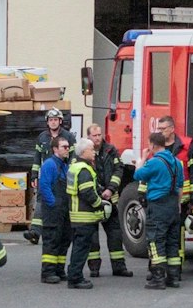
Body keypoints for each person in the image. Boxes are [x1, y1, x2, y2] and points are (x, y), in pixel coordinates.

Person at [131, 130, 185, 290]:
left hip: (158, 206)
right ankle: (173, 278)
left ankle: (158, 278)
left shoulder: (154, 162)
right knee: (172, 243)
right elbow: (180, 186)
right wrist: (178, 204)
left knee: (156, 242)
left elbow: (137, 175)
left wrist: (141, 159)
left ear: (153, 145)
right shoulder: (177, 162)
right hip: (173, 205)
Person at [155, 114, 193, 287]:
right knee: (161, 234)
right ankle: (162, 268)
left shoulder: (186, 146)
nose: (160, 132)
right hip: (161, 199)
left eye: (163, 129)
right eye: (158, 129)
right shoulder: (157, 147)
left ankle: (176, 269)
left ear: (172, 129)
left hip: (181, 199)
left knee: (177, 235)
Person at [85, 123, 132, 278]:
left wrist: (110, 189)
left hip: (110, 199)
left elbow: (119, 170)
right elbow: (87, 177)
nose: (98, 138)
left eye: (99, 135)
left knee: (115, 234)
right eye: (95, 135)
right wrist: (100, 192)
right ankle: (94, 268)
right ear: (88, 137)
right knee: (92, 237)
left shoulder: (110, 150)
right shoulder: (84, 152)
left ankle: (119, 267)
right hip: (93, 201)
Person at [26, 110, 74, 244]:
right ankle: (34, 232)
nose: (53, 122)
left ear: (60, 121)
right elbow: (37, 158)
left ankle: (65, 230)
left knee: (62, 202)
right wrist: (34, 176)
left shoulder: (68, 137)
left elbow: (73, 158)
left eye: (55, 119)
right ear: (47, 122)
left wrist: (68, 174)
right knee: (41, 201)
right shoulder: (42, 137)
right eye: (51, 120)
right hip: (47, 175)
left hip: (62, 176)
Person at [65, 138, 106, 289]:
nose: (94, 152)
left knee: (78, 248)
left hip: (76, 216)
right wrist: (99, 204)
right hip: (84, 216)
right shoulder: (83, 169)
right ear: (83, 152)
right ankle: (75, 278)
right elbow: (87, 192)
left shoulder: (74, 167)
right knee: (81, 249)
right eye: (91, 150)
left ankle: (73, 274)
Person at [37, 136, 72, 283]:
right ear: (55, 149)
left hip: (63, 210)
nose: (67, 149)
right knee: (52, 240)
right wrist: (53, 204)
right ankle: (47, 272)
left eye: (68, 146)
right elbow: (44, 186)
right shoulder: (49, 164)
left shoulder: (64, 165)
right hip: (53, 211)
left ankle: (59, 269)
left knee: (64, 239)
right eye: (64, 147)